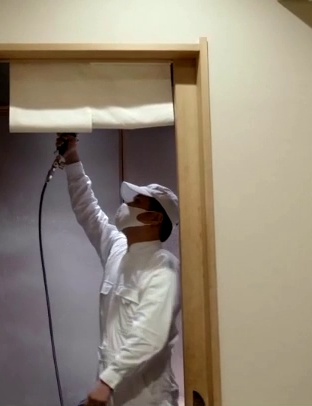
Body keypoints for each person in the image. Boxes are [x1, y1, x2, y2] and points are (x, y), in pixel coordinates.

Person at [57, 133, 181, 406]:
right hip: (111, 394)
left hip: (147, 399)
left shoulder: (164, 266)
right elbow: (87, 210)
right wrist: (72, 158)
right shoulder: (117, 247)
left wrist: (106, 382)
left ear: (153, 217)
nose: (125, 205)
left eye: (135, 203)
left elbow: (150, 333)